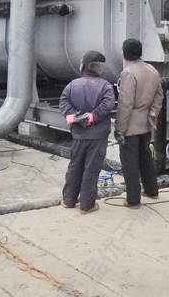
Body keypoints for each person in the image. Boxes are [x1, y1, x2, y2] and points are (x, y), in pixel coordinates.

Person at [59, 50, 116, 214]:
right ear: (100, 68)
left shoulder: (72, 85)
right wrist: (92, 117)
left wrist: (78, 117)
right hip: (98, 136)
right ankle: (86, 205)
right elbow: (108, 105)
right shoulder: (106, 86)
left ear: (83, 65)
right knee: (91, 169)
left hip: (78, 134)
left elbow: (63, 103)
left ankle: (68, 201)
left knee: (74, 167)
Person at [115, 38, 164, 209]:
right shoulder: (152, 70)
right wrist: (153, 112)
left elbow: (125, 103)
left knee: (129, 162)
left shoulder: (128, 73)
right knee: (145, 157)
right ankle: (152, 191)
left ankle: (133, 200)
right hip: (146, 122)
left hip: (131, 124)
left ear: (124, 54)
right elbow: (159, 95)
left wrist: (119, 128)